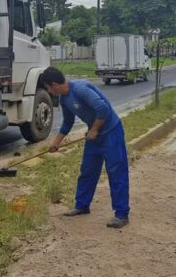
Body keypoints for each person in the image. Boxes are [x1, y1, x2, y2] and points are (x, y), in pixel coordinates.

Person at [43, 66, 130, 228]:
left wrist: (95, 129)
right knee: (88, 170)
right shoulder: (64, 98)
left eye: (47, 88)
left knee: (116, 171)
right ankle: (82, 205)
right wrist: (56, 142)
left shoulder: (80, 89)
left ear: (53, 84)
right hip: (94, 135)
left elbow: (103, 109)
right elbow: (67, 123)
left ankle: (121, 214)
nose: (48, 91)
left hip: (111, 132)